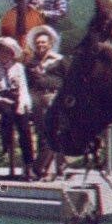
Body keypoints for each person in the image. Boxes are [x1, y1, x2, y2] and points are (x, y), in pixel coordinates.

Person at [24, 25, 67, 181]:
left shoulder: (59, 60)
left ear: (50, 43)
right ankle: (47, 169)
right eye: (38, 43)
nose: (40, 45)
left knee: (55, 132)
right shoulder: (31, 63)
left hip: (55, 98)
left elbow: (68, 80)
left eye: (43, 42)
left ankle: (46, 168)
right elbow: (27, 84)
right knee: (43, 133)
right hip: (38, 100)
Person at [0, 37, 35, 180]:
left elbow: (23, 88)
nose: (4, 54)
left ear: (12, 53)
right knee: (7, 113)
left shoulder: (18, 67)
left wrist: (22, 103)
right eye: (2, 51)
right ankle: (6, 144)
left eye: (8, 52)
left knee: (24, 125)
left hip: (16, 97)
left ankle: (28, 165)